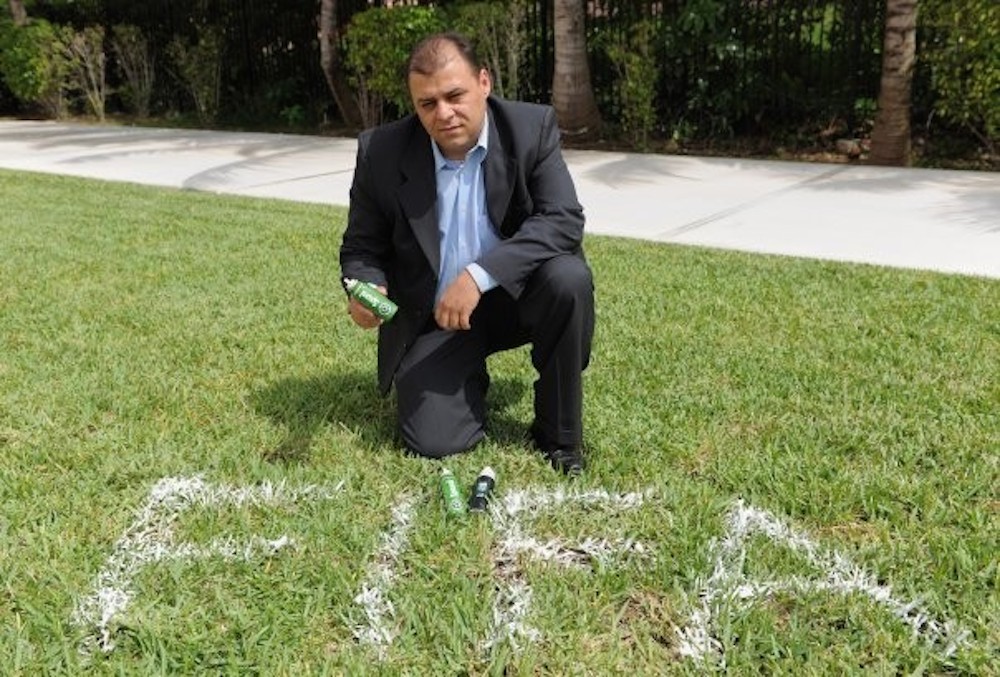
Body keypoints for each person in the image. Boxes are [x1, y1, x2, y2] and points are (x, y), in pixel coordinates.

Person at [340, 32, 594, 475]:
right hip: (435, 315)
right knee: (435, 441)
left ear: (483, 82)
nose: (444, 113)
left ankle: (558, 432)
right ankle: (464, 374)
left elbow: (563, 219)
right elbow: (362, 246)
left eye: (455, 95)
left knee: (567, 279)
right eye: (427, 103)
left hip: (515, 296)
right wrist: (364, 286)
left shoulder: (531, 129)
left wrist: (478, 275)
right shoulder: (380, 151)